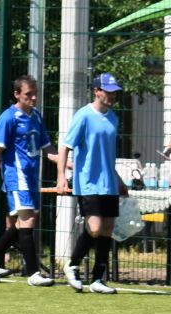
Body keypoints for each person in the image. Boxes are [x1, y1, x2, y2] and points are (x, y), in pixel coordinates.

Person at [54, 73, 130, 294]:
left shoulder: (114, 118)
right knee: (95, 227)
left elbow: (107, 154)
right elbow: (65, 146)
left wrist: (119, 180)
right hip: (88, 182)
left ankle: (98, 279)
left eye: (115, 92)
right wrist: (61, 176)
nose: (113, 95)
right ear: (97, 91)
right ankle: (73, 264)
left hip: (108, 183)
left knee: (107, 229)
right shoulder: (84, 116)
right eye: (109, 91)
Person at [0, 75, 55, 286]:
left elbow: (48, 149)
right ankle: (33, 273)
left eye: (35, 93)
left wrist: (66, 163)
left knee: (24, 222)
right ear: (16, 94)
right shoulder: (8, 118)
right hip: (17, 176)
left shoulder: (37, 117)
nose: (33, 98)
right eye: (28, 94)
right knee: (28, 221)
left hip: (33, 177)